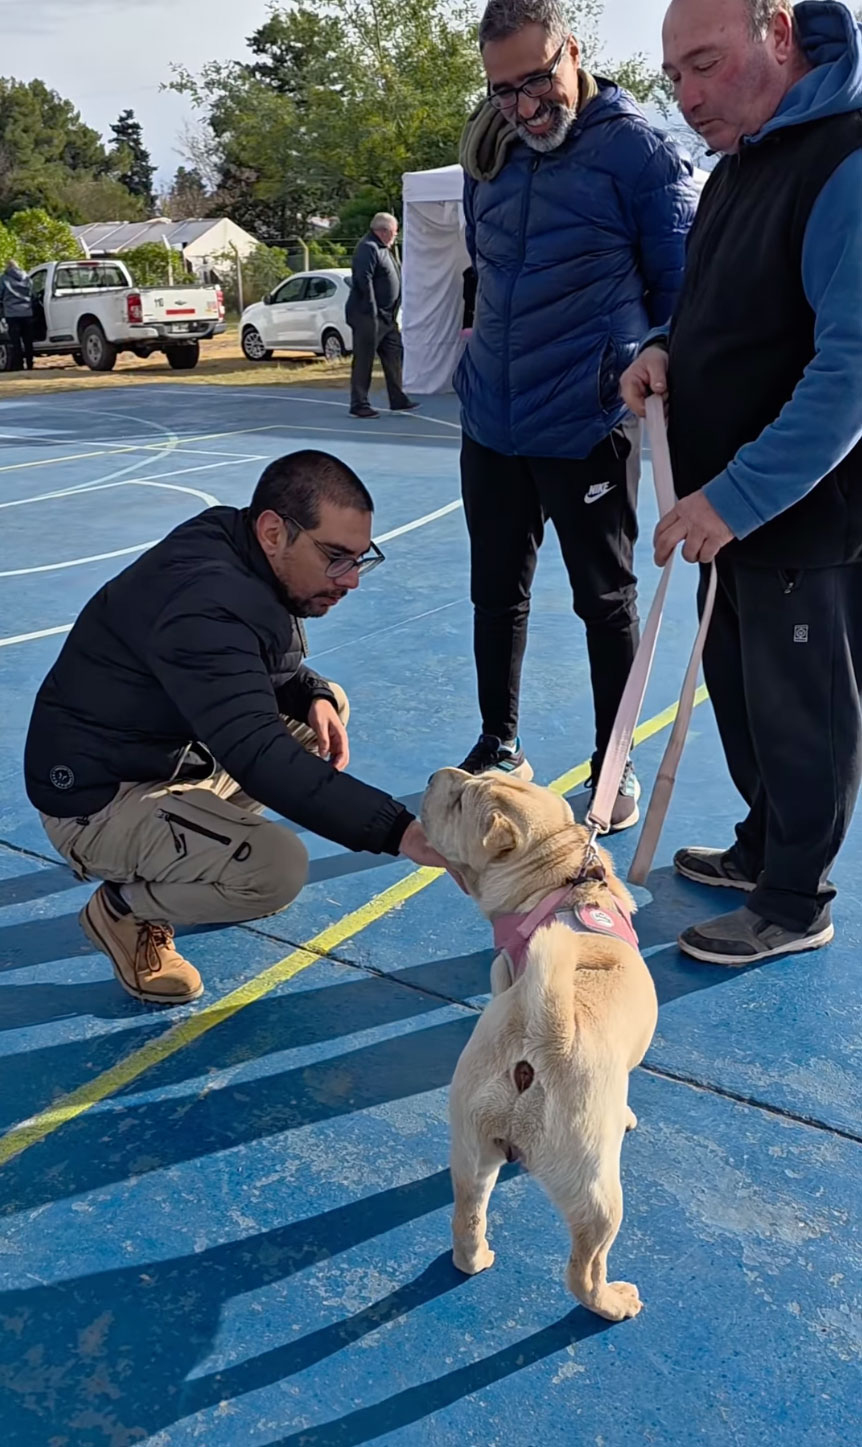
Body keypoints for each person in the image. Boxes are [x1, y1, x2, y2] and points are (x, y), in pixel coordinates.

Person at [23, 451, 449, 1006]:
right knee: (276, 870)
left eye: (360, 559)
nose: (350, 581)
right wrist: (403, 833)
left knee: (323, 710)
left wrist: (310, 692)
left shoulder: (238, 544)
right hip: (97, 801)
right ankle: (125, 910)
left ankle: (190, 859)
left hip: (157, 755)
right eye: (336, 558)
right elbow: (258, 755)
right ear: (274, 531)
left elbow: (254, 665)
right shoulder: (205, 602)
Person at [621, 0, 862, 965]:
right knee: (744, 689)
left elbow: (850, 373)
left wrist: (738, 497)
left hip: (802, 515)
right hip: (733, 510)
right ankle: (764, 846)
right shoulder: (740, 163)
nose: (685, 97)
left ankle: (796, 899)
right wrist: (664, 348)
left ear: (777, 32)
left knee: (805, 707)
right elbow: (729, 307)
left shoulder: (844, 159)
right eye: (674, 75)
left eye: (704, 67)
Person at [452, 0, 697, 831]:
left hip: (586, 419)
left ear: (573, 51)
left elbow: (682, 292)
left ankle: (613, 763)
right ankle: (499, 743)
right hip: (491, 415)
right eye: (502, 91)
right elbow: (486, 270)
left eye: (536, 80)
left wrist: (647, 356)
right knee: (497, 593)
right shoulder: (487, 150)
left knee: (605, 599)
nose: (524, 108)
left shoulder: (639, 151)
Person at [346, 212, 417, 420]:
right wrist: (372, 311)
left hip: (387, 317)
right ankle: (359, 404)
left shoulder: (384, 249)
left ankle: (397, 398)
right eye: (394, 233)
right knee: (365, 359)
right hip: (368, 316)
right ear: (383, 231)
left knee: (393, 354)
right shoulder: (367, 248)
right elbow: (363, 280)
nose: (395, 236)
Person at [0, 259, 35, 370]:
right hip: (27, 312)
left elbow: (0, 294)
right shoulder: (27, 278)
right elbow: (32, 293)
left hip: (12, 313)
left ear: (7, 267)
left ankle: (19, 364)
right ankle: (30, 363)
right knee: (28, 340)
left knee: (15, 341)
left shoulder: (4, 279)